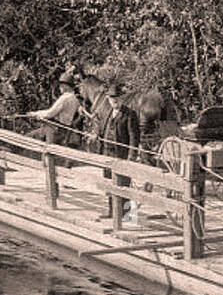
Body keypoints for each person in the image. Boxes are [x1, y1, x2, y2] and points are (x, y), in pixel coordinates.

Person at [96, 80, 141, 221]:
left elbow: (134, 136)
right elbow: (101, 130)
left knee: (124, 185)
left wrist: (132, 155)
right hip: (107, 153)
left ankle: (128, 215)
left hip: (121, 153)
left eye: (116, 98)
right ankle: (112, 212)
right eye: (111, 98)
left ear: (121, 99)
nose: (114, 101)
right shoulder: (107, 113)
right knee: (109, 183)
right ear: (108, 99)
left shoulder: (129, 114)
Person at [28, 66, 85, 145]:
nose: (59, 87)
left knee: (29, 138)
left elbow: (50, 113)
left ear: (65, 85)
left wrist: (35, 113)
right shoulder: (76, 99)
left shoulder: (64, 98)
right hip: (64, 132)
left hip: (54, 130)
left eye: (60, 85)